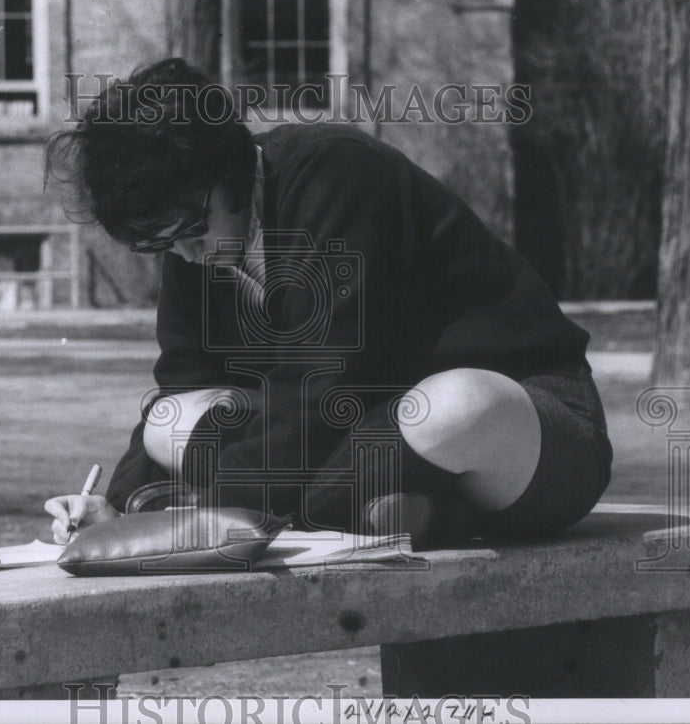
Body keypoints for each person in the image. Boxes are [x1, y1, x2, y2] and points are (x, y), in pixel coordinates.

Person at [43, 57, 612, 548]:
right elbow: (182, 385)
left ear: (229, 166)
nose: (188, 253)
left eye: (192, 227)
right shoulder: (194, 238)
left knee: (458, 405)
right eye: (162, 243)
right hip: (365, 444)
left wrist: (199, 513)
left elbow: (325, 386)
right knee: (167, 424)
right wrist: (116, 508)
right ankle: (393, 511)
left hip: (526, 429)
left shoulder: (339, 173)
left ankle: (319, 510)